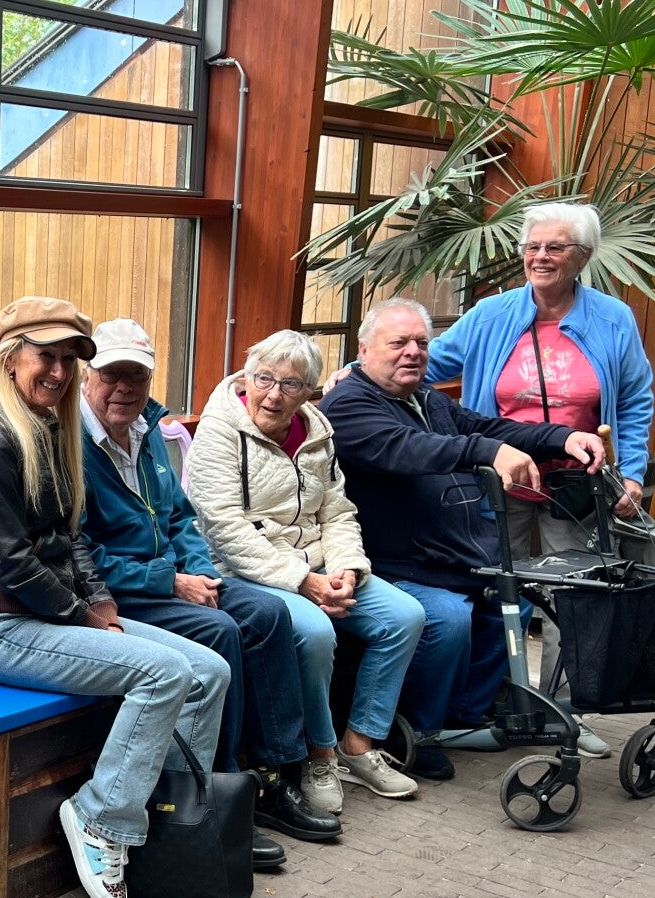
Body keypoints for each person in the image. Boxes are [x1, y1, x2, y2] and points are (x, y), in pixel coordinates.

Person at [0, 298, 235, 898]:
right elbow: (15, 566)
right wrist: (87, 618)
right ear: (11, 358)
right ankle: (101, 817)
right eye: (45, 357)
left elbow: (72, 538)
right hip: (3, 629)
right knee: (166, 672)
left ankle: (164, 817)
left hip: (53, 616)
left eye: (68, 360)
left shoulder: (49, 429)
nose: (58, 372)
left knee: (210, 670)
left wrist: (101, 603)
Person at [75, 318, 335, 852]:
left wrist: (202, 573)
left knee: (267, 614)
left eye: (136, 376)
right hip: (118, 594)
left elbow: (179, 516)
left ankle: (273, 776)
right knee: (219, 631)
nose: (123, 387)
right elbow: (81, 554)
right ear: (87, 376)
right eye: (111, 374)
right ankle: (217, 792)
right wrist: (171, 581)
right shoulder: (72, 444)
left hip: (174, 576)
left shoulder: (146, 431)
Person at [320, 298, 605, 780]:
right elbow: (410, 449)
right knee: (448, 618)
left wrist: (561, 438)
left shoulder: (426, 398)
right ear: (363, 350)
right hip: (394, 561)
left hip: (450, 556)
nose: (413, 352)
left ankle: (464, 715)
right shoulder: (348, 405)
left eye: (421, 343)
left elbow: (484, 426)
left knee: (515, 601)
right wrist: (489, 452)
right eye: (398, 343)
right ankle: (417, 730)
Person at [424, 203, 655, 731]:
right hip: (498, 478)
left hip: (576, 485)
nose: (541, 256)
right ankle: (494, 703)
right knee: (495, 589)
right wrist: (358, 372)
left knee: (574, 595)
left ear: (583, 256)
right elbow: (428, 362)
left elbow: (635, 399)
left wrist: (633, 473)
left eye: (555, 247)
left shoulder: (612, 319)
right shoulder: (491, 314)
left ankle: (566, 711)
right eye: (533, 246)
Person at [187, 331, 426, 806]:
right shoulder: (220, 430)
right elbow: (224, 529)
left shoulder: (317, 432)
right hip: (248, 571)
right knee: (315, 633)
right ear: (247, 377)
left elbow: (337, 512)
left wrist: (346, 569)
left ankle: (359, 745)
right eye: (264, 379)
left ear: (309, 392)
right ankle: (320, 755)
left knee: (405, 617)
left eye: (290, 384)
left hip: (319, 564)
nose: (274, 394)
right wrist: (303, 582)